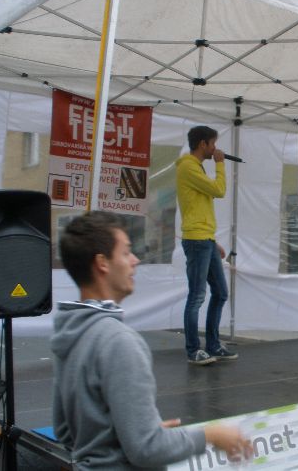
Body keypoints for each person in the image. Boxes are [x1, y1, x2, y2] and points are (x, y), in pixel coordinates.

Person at [51, 212, 252, 470]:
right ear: (102, 263)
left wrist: (135, 430)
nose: (135, 260)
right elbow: (146, 449)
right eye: (126, 252)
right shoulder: (119, 341)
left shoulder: (69, 333)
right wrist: (211, 434)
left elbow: (64, 430)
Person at [176, 125, 236, 364]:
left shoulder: (195, 167)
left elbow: (199, 205)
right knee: (197, 296)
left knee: (220, 292)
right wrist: (220, 164)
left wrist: (213, 241)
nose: (215, 149)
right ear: (203, 144)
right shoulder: (188, 166)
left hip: (205, 239)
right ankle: (193, 350)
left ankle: (213, 345)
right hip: (196, 239)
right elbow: (218, 190)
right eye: (213, 144)